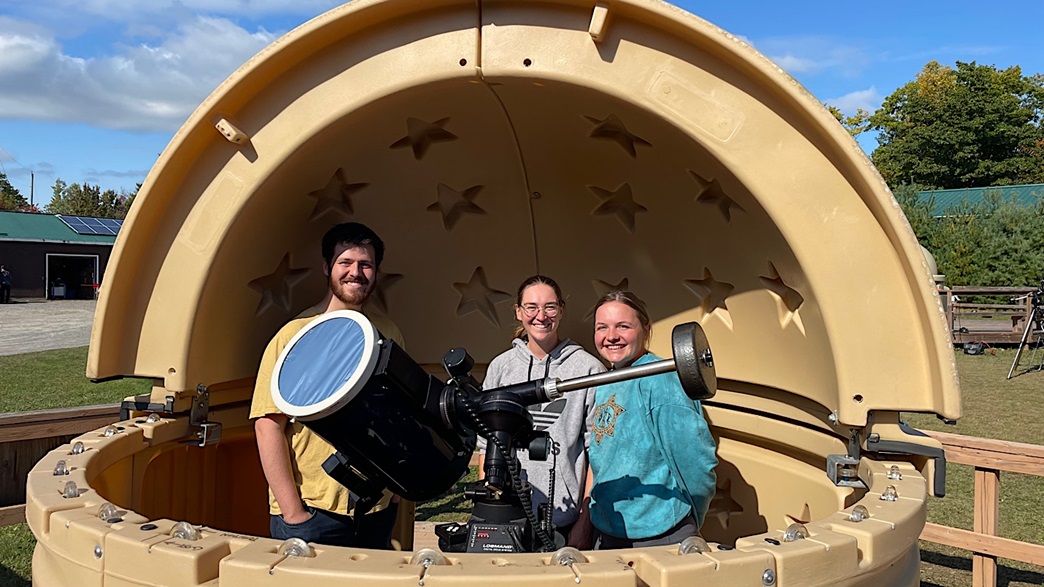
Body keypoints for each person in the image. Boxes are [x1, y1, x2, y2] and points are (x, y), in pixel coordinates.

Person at [250, 222, 410, 548]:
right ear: (327, 267)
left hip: (375, 509)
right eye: (345, 263)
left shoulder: (389, 332)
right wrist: (293, 512)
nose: (356, 273)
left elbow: (401, 414)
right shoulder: (292, 336)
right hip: (313, 512)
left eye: (366, 265)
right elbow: (268, 426)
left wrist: (395, 492)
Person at [479, 275, 605, 548]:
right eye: (531, 307)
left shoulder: (588, 369)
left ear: (561, 310)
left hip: (565, 521)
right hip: (508, 517)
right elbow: (486, 446)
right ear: (518, 312)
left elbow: (598, 454)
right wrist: (487, 510)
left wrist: (584, 523)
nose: (541, 316)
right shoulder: (501, 367)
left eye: (549, 307)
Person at [587, 290, 717, 549]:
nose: (611, 336)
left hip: (659, 535)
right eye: (602, 327)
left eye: (623, 326)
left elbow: (696, 463)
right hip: (610, 531)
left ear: (646, 330)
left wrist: (687, 519)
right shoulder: (607, 380)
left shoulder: (661, 381)